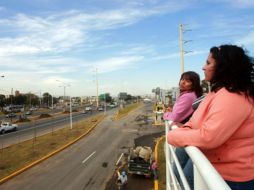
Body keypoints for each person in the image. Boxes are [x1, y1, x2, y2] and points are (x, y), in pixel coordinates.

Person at [168, 45, 254, 190]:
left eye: (208, 63)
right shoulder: (218, 92)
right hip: (215, 163)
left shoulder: (232, 96)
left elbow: (209, 137)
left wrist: (173, 135)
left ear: (223, 66)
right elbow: (195, 121)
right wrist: (187, 128)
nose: (203, 67)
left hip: (231, 179)